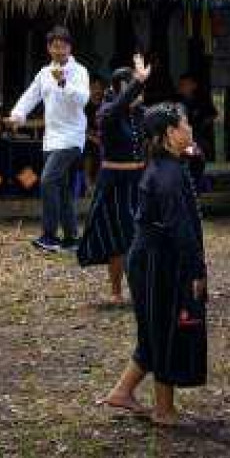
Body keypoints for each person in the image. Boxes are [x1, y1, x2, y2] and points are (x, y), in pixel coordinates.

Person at [99, 102, 207, 427]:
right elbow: (181, 228)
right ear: (170, 133)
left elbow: (193, 180)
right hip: (157, 261)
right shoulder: (167, 174)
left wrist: (194, 155)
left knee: (153, 331)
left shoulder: (171, 163)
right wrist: (196, 271)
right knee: (165, 330)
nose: (190, 128)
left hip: (154, 257)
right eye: (185, 124)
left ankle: (122, 392)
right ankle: (163, 410)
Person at [6, 25, 90, 252]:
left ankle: (49, 235)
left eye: (63, 47)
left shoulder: (79, 71)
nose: (59, 51)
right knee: (61, 189)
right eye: (55, 47)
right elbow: (30, 96)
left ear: (70, 48)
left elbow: (83, 100)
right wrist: (17, 115)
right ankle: (72, 237)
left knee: (47, 181)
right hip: (51, 138)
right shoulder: (44, 73)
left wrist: (64, 83)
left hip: (72, 138)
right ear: (49, 48)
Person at [77, 55, 150, 303]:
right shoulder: (106, 112)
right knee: (117, 236)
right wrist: (137, 82)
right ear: (120, 88)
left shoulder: (141, 113)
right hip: (115, 182)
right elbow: (119, 106)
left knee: (141, 234)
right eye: (131, 88)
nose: (139, 94)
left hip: (138, 180)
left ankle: (142, 289)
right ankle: (116, 291)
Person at [175, 74, 218, 162]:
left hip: (200, 139)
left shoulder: (202, 101)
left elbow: (213, 114)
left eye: (185, 84)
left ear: (194, 85)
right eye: (180, 84)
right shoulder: (176, 102)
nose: (181, 87)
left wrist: (203, 124)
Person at [82, 74, 107, 193]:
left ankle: (98, 183)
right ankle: (88, 183)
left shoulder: (106, 106)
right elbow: (81, 129)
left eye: (99, 87)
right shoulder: (84, 107)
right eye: (94, 87)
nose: (97, 91)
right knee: (90, 147)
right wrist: (93, 138)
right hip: (86, 140)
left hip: (102, 140)